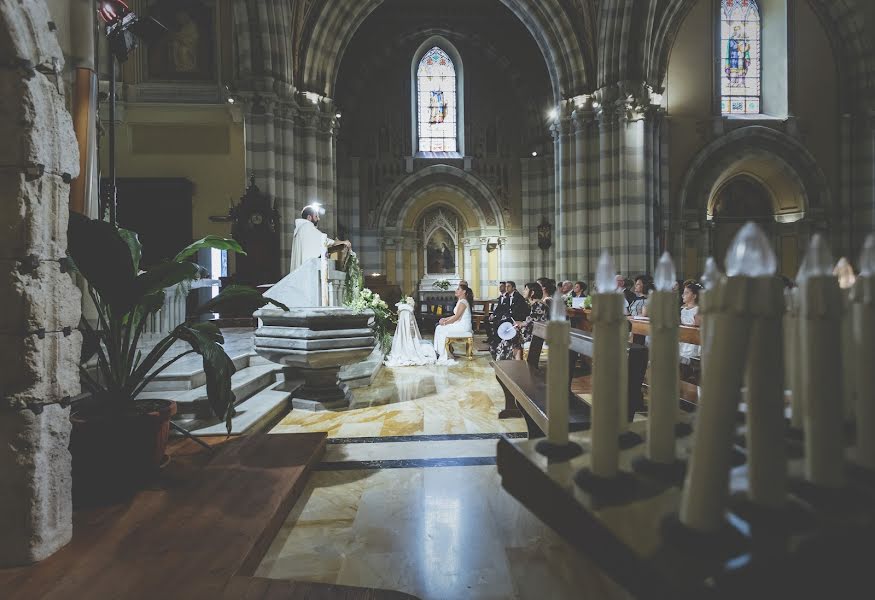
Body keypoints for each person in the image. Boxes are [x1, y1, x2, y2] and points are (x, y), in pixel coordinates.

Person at [289, 204, 351, 272]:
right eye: (316, 216)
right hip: (307, 270)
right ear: (309, 217)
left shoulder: (301, 229)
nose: (318, 219)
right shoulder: (307, 226)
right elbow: (324, 240)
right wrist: (343, 242)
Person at [494, 282, 547, 361]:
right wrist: (520, 323)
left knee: (508, 340)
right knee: (510, 337)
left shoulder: (538, 304)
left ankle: (506, 363)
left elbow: (534, 321)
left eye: (526, 289)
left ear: (532, 293)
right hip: (532, 332)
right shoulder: (533, 304)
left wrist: (521, 324)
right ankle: (514, 361)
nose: (523, 291)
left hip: (536, 335)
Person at [384, 297, 436, 367]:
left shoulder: (403, 314)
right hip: (408, 335)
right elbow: (411, 327)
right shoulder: (409, 313)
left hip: (403, 335)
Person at [434, 283, 474, 362]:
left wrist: (445, 323)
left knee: (440, 328)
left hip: (463, 326)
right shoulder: (460, 301)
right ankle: (441, 352)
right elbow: (455, 315)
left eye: (458, 289)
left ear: (464, 292)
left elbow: (457, 317)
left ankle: (445, 354)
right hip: (460, 324)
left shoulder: (463, 302)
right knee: (439, 327)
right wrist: (445, 319)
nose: (456, 290)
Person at [679, 281, 703, 365]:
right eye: (683, 293)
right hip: (683, 340)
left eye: (686, 293)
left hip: (692, 343)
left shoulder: (698, 310)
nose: (683, 295)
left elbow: (698, 330)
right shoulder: (683, 310)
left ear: (694, 296)